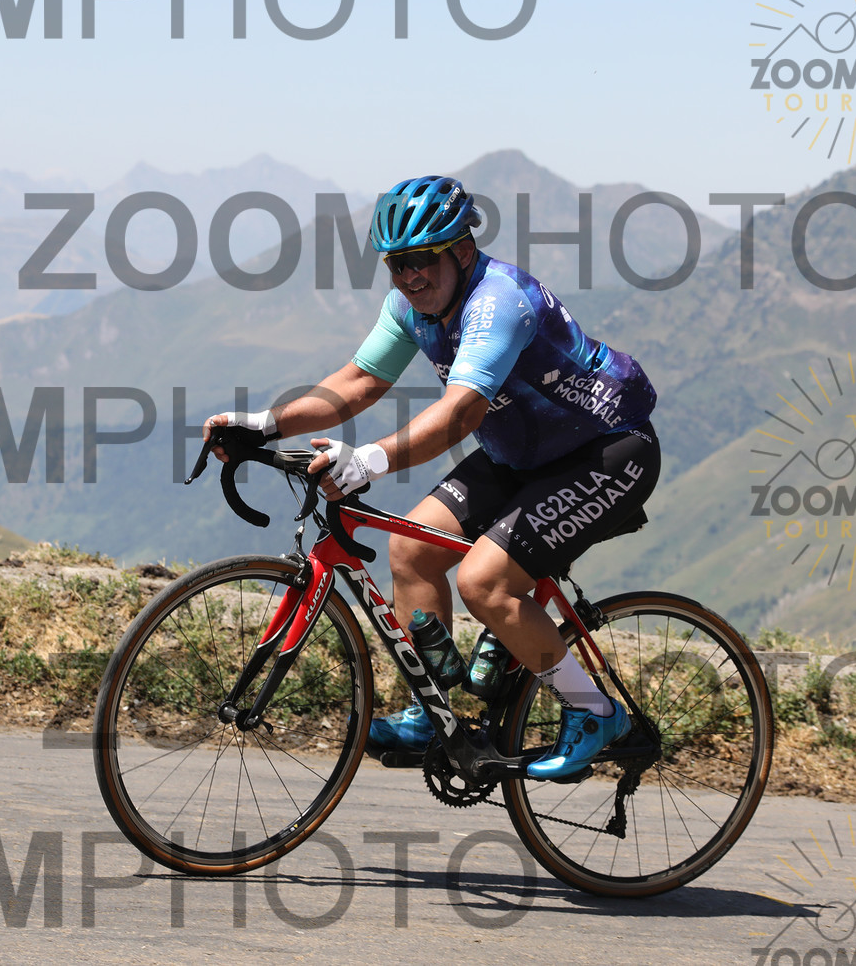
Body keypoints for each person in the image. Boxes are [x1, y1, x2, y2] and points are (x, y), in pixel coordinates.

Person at [204, 175, 659, 778]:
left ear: (462, 250)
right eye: (397, 264)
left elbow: (460, 413)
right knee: (411, 551)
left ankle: (593, 709)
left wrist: (368, 460)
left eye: (423, 259)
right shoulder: (410, 309)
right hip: (520, 455)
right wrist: (265, 424)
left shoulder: (499, 302)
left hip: (606, 452)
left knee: (483, 583)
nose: (410, 276)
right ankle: (434, 713)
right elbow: (359, 382)